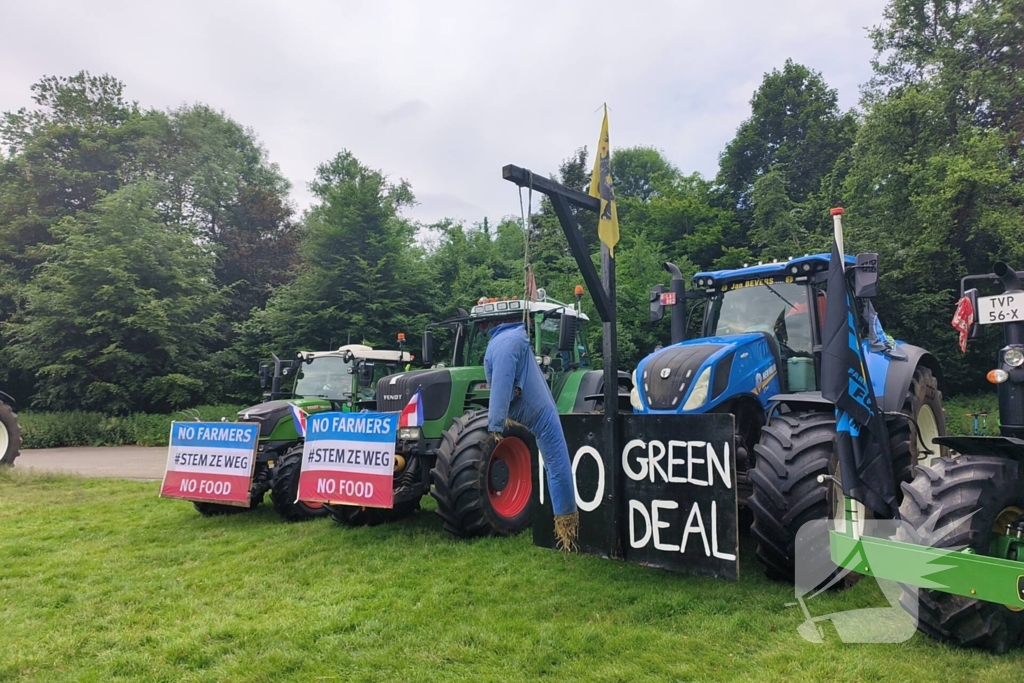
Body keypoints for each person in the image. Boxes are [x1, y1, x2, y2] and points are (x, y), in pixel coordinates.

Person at [484, 320, 578, 550]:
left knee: (555, 456)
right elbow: (503, 379)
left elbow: (501, 380)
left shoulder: (500, 343)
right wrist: (495, 423)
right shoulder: (513, 341)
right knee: (557, 458)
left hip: (519, 404)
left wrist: (497, 420)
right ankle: (565, 518)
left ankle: (565, 518)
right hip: (527, 407)